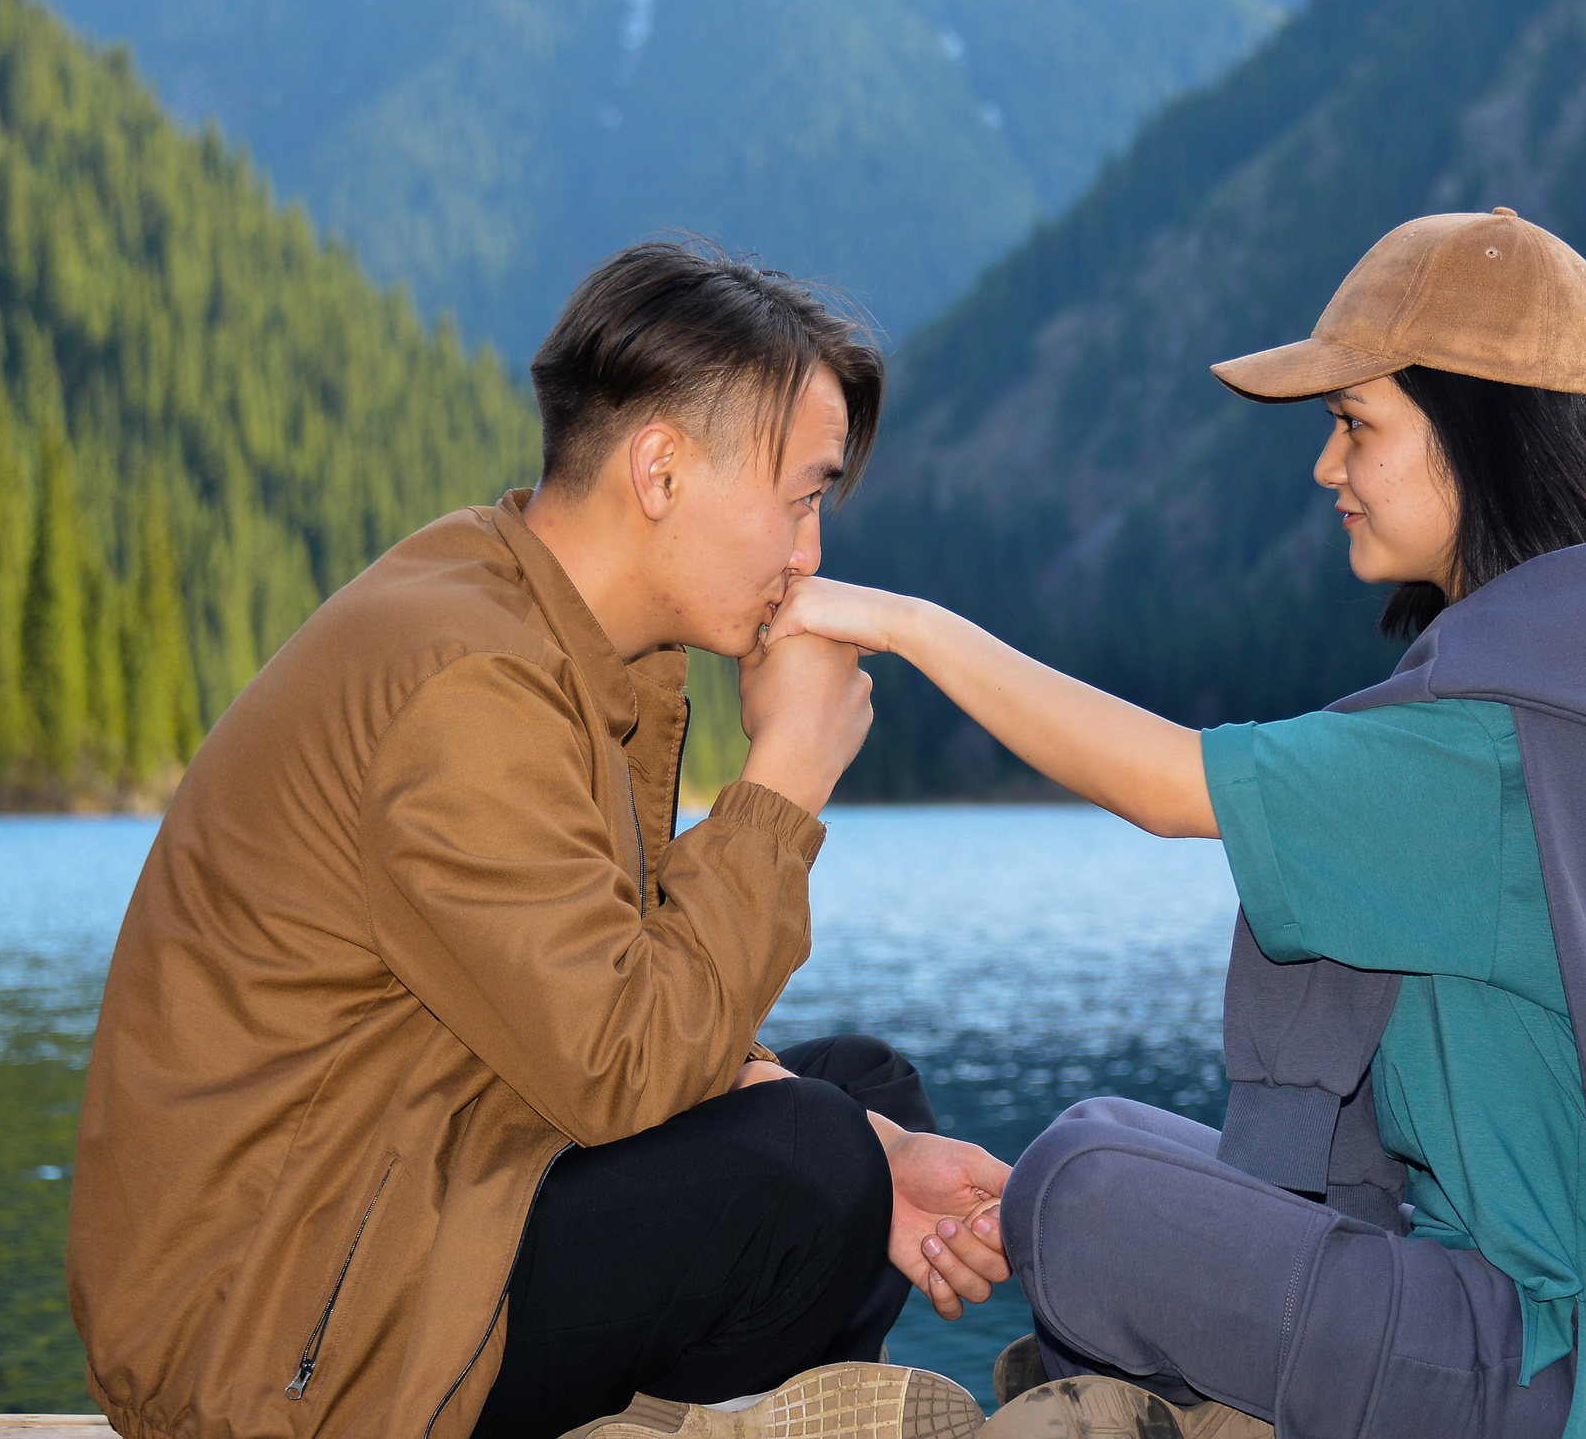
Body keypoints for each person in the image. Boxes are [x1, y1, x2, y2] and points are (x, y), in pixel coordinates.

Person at [765, 209, 1586, 1439]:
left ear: (1477, 434)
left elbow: (1164, 784)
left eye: (1356, 423)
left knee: (1079, 1192)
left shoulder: (1500, 741)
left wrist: (904, 625)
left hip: (1574, 1371)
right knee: (1093, 1138)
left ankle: (1147, 1389)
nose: (1325, 467)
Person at [66, 242, 1012, 1439]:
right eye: (801, 495)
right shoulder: (470, 682)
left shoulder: (546, 630)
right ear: (661, 467)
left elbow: (589, 999)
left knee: (863, 1100)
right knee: (813, 1160)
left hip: (416, 1176)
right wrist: (782, 784)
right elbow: (617, 1058)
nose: (808, 553)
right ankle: (713, 1409)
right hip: (274, 1337)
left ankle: (733, 1409)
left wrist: (874, 1142)